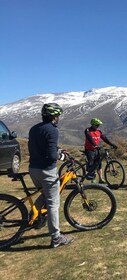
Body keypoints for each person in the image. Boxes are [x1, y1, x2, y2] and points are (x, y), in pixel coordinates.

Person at [28, 103, 74, 248]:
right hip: (47, 170)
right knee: (53, 203)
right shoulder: (53, 130)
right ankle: (56, 238)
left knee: (45, 194)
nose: (58, 117)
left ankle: (35, 215)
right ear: (54, 116)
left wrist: (58, 149)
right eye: (58, 115)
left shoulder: (34, 129)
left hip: (33, 169)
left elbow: (42, 146)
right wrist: (62, 157)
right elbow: (51, 155)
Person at [84, 118, 117, 183]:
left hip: (96, 149)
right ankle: (92, 178)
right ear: (93, 124)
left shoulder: (99, 131)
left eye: (98, 125)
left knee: (99, 164)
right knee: (91, 164)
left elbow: (104, 138)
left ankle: (100, 179)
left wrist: (112, 144)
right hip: (89, 149)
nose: (98, 126)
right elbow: (89, 138)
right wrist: (95, 145)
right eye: (97, 125)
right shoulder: (87, 130)